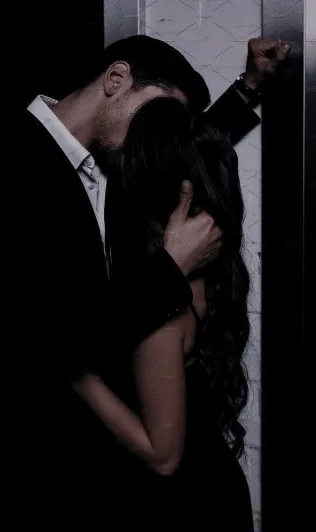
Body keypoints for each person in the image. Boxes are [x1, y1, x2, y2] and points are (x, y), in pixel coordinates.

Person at [0, 35, 288, 523]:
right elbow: (39, 337)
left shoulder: (112, 161)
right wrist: (171, 266)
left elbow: (188, 156)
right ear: (116, 80)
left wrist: (250, 87)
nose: (158, 132)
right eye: (158, 114)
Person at [73, 96, 253, 530]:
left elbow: (163, 455)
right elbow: (197, 153)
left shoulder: (163, 306)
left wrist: (77, 375)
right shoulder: (213, 271)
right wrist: (247, 90)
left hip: (183, 507)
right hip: (214, 488)